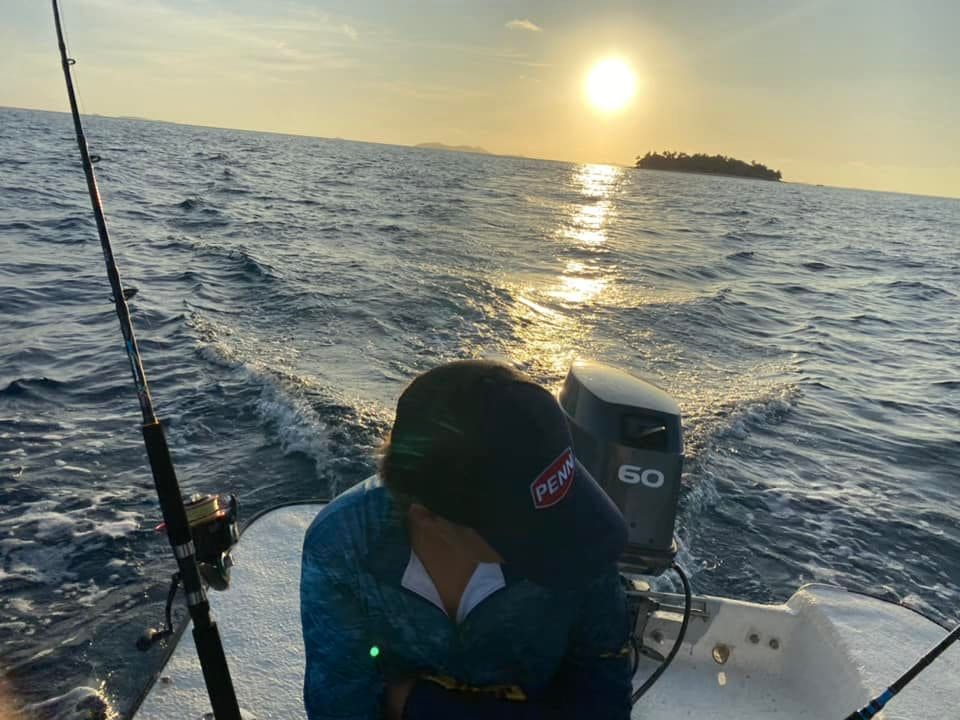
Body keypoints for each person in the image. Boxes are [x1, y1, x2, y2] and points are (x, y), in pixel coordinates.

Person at [300, 359, 632, 720]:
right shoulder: (342, 546)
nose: (561, 532)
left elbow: (604, 701)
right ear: (428, 517)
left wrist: (417, 704)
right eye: (524, 527)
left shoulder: (580, 531)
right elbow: (340, 706)